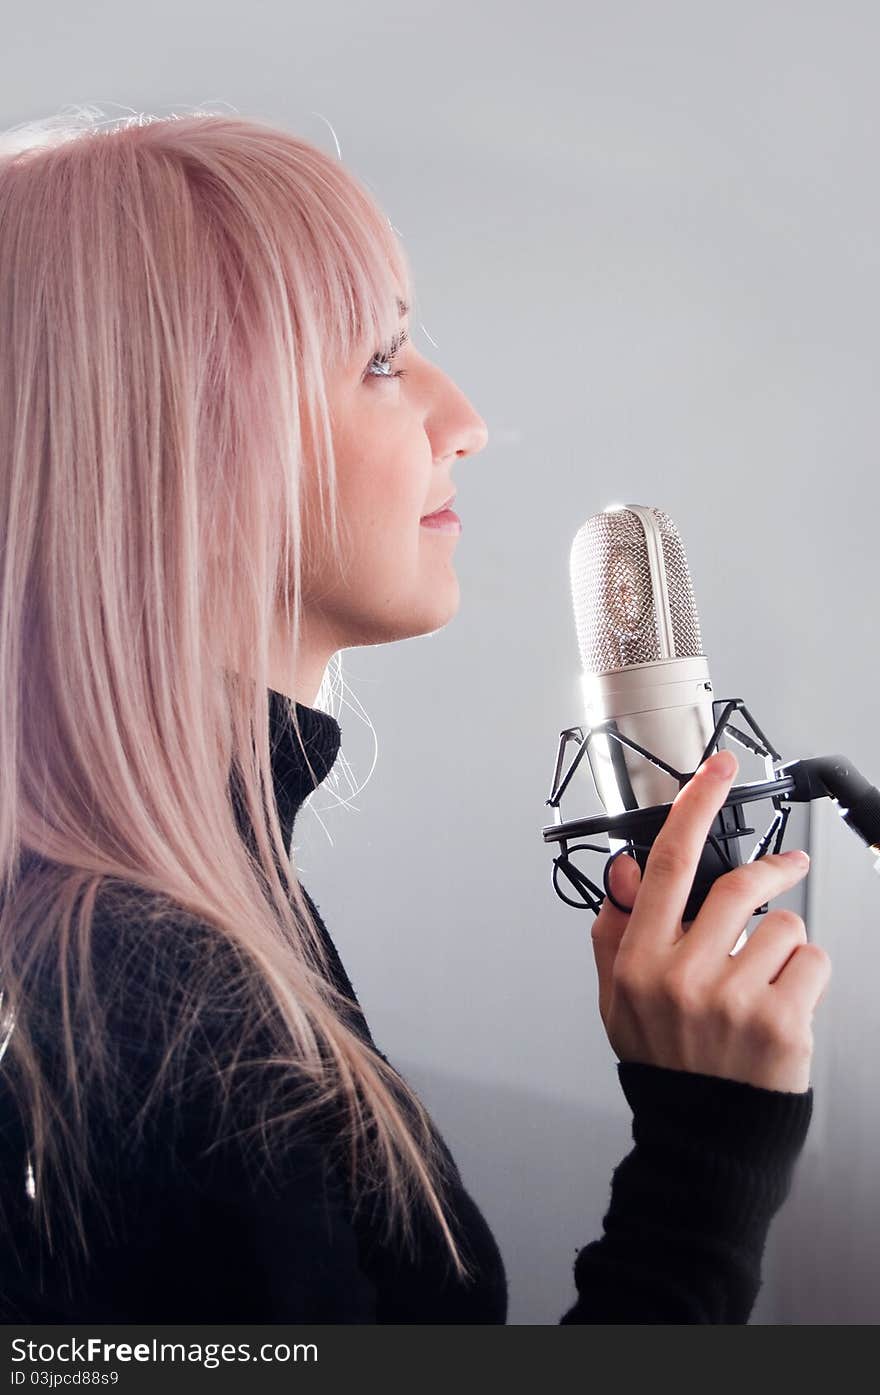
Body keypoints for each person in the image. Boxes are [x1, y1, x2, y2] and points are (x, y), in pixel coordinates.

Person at [0, 109, 830, 1323]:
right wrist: (709, 1151)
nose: (464, 422)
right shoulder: (144, 1000)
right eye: (380, 362)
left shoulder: (172, 913)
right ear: (174, 443)